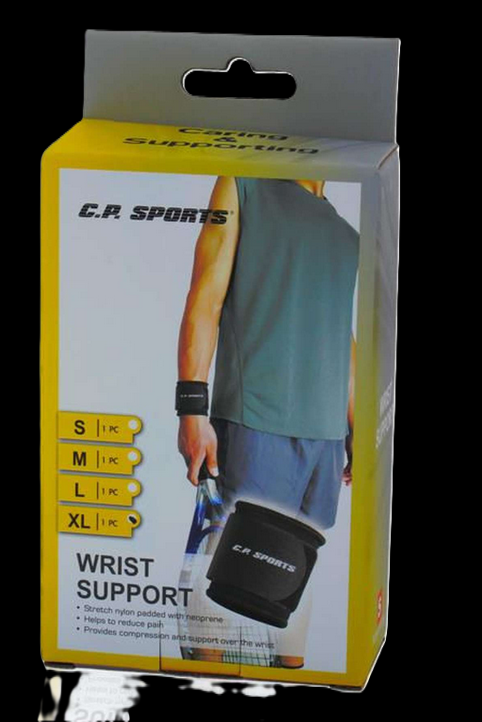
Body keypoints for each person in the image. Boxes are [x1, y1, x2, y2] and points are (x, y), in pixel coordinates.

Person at [176, 176, 359, 667]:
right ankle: (201, 680)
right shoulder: (243, 184)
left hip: (325, 437)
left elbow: (340, 333)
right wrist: (191, 407)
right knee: (226, 559)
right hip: (255, 417)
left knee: (294, 568)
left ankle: (291, 678)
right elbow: (206, 296)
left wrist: (357, 424)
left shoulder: (345, 232)